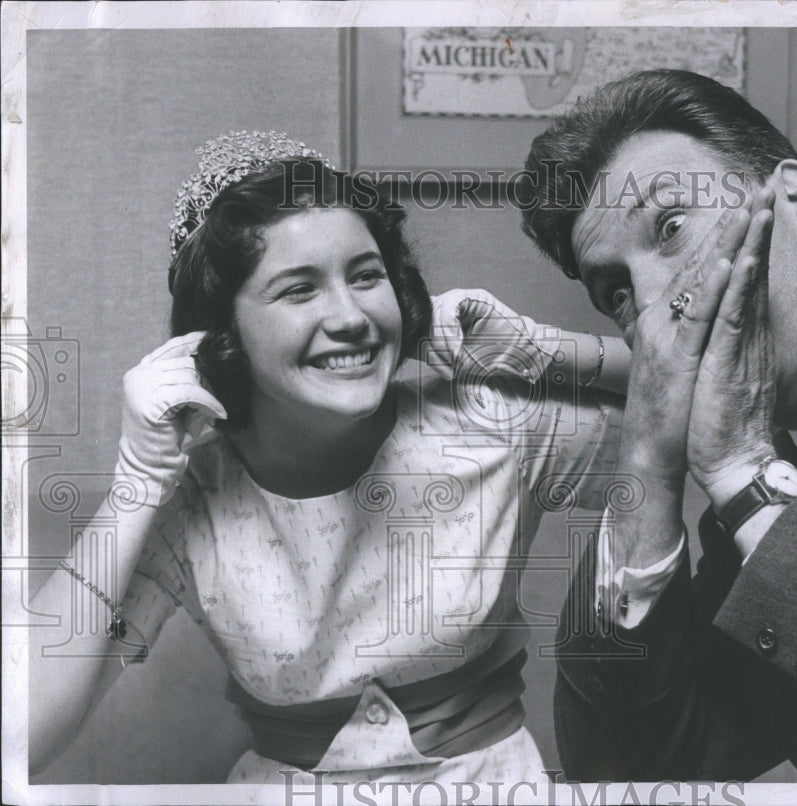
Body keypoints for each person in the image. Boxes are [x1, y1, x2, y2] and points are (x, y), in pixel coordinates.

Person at [29, 131, 632, 786]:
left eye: (366, 276)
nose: (350, 317)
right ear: (222, 334)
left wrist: (554, 354)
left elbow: (726, 417)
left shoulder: (491, 421)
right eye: (298, 290)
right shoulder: (193, 496)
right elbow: (16, 737)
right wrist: (134, 487)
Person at [519, 70, 797, 782]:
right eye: (616, 293)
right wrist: (647, 464)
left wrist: (741, 474)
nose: (650, 308)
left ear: (796, 200)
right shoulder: (772, 477)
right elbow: (628, 769)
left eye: (671, 228)